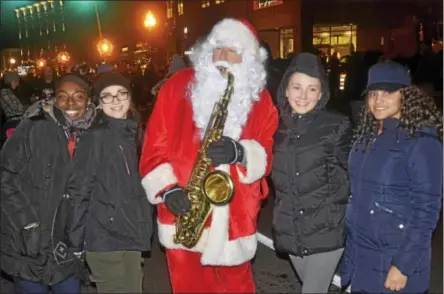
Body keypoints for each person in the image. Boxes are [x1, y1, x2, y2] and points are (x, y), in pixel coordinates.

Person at [139, 18, 278, 293]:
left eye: (232, 50)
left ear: (248, 59)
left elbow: (266, 153)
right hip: (184, 210)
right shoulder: (176, 86)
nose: (222, 57)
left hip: (234, 217)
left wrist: (241, 152)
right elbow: (153, 147)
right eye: (218, 48)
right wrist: (167, 190)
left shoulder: (261, 100)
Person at [341, 61, 443, 293]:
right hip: (362, 252)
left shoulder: (421, 142)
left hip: (395, 256)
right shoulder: (366, 136)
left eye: (388, 92)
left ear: (405, 95)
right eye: (373, 93)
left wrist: (403, 266)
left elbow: (426, 210)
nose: (379, 100)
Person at [0, 73, 97, 293]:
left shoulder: (94, 134)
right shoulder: (33, 128)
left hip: (68, 247)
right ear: (54, 99)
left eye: (78, 96)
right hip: (28, 242)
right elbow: (5, 176)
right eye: (63, 96)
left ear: (89, 100)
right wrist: (28, 224)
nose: (70, 103)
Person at [271, 52, 352, 293]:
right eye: (297, 87)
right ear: (285, 89)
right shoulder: (274, 126)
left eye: (312, 89)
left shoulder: (336, 125)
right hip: (290, 229)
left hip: (326, 230)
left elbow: (354, 171)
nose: (303, 96)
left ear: (322, 93)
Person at [67, 72, 153, 293]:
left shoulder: (133, 133)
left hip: (131, 232)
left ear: (129, 97)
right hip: (104, 237)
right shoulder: (95, 136)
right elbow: (79, 190)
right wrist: (75, 243)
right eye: (107, 96)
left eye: (120, 93)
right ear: (98, 103)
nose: (115, 101)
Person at [0, 72, 30, 137]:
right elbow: (17, 108)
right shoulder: (5, 92)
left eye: (18, 81)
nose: (17, 84)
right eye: (15, 81)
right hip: (14, 122)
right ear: (9, 81)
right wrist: (30, 107)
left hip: (18, 120)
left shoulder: (12, 91)